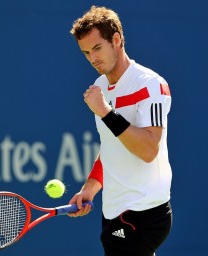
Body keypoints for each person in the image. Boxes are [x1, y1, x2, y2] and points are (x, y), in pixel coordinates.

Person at [67, 6, 173, 256]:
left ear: (116, 40)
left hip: (145, 212)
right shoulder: (99, 87)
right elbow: (112, 148)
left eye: (97, 48)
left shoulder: (151, 85)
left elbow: (148, 150)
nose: (92, 58)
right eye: (86, 53)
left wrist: (105, 112)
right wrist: (90, 189)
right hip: (114, 211)